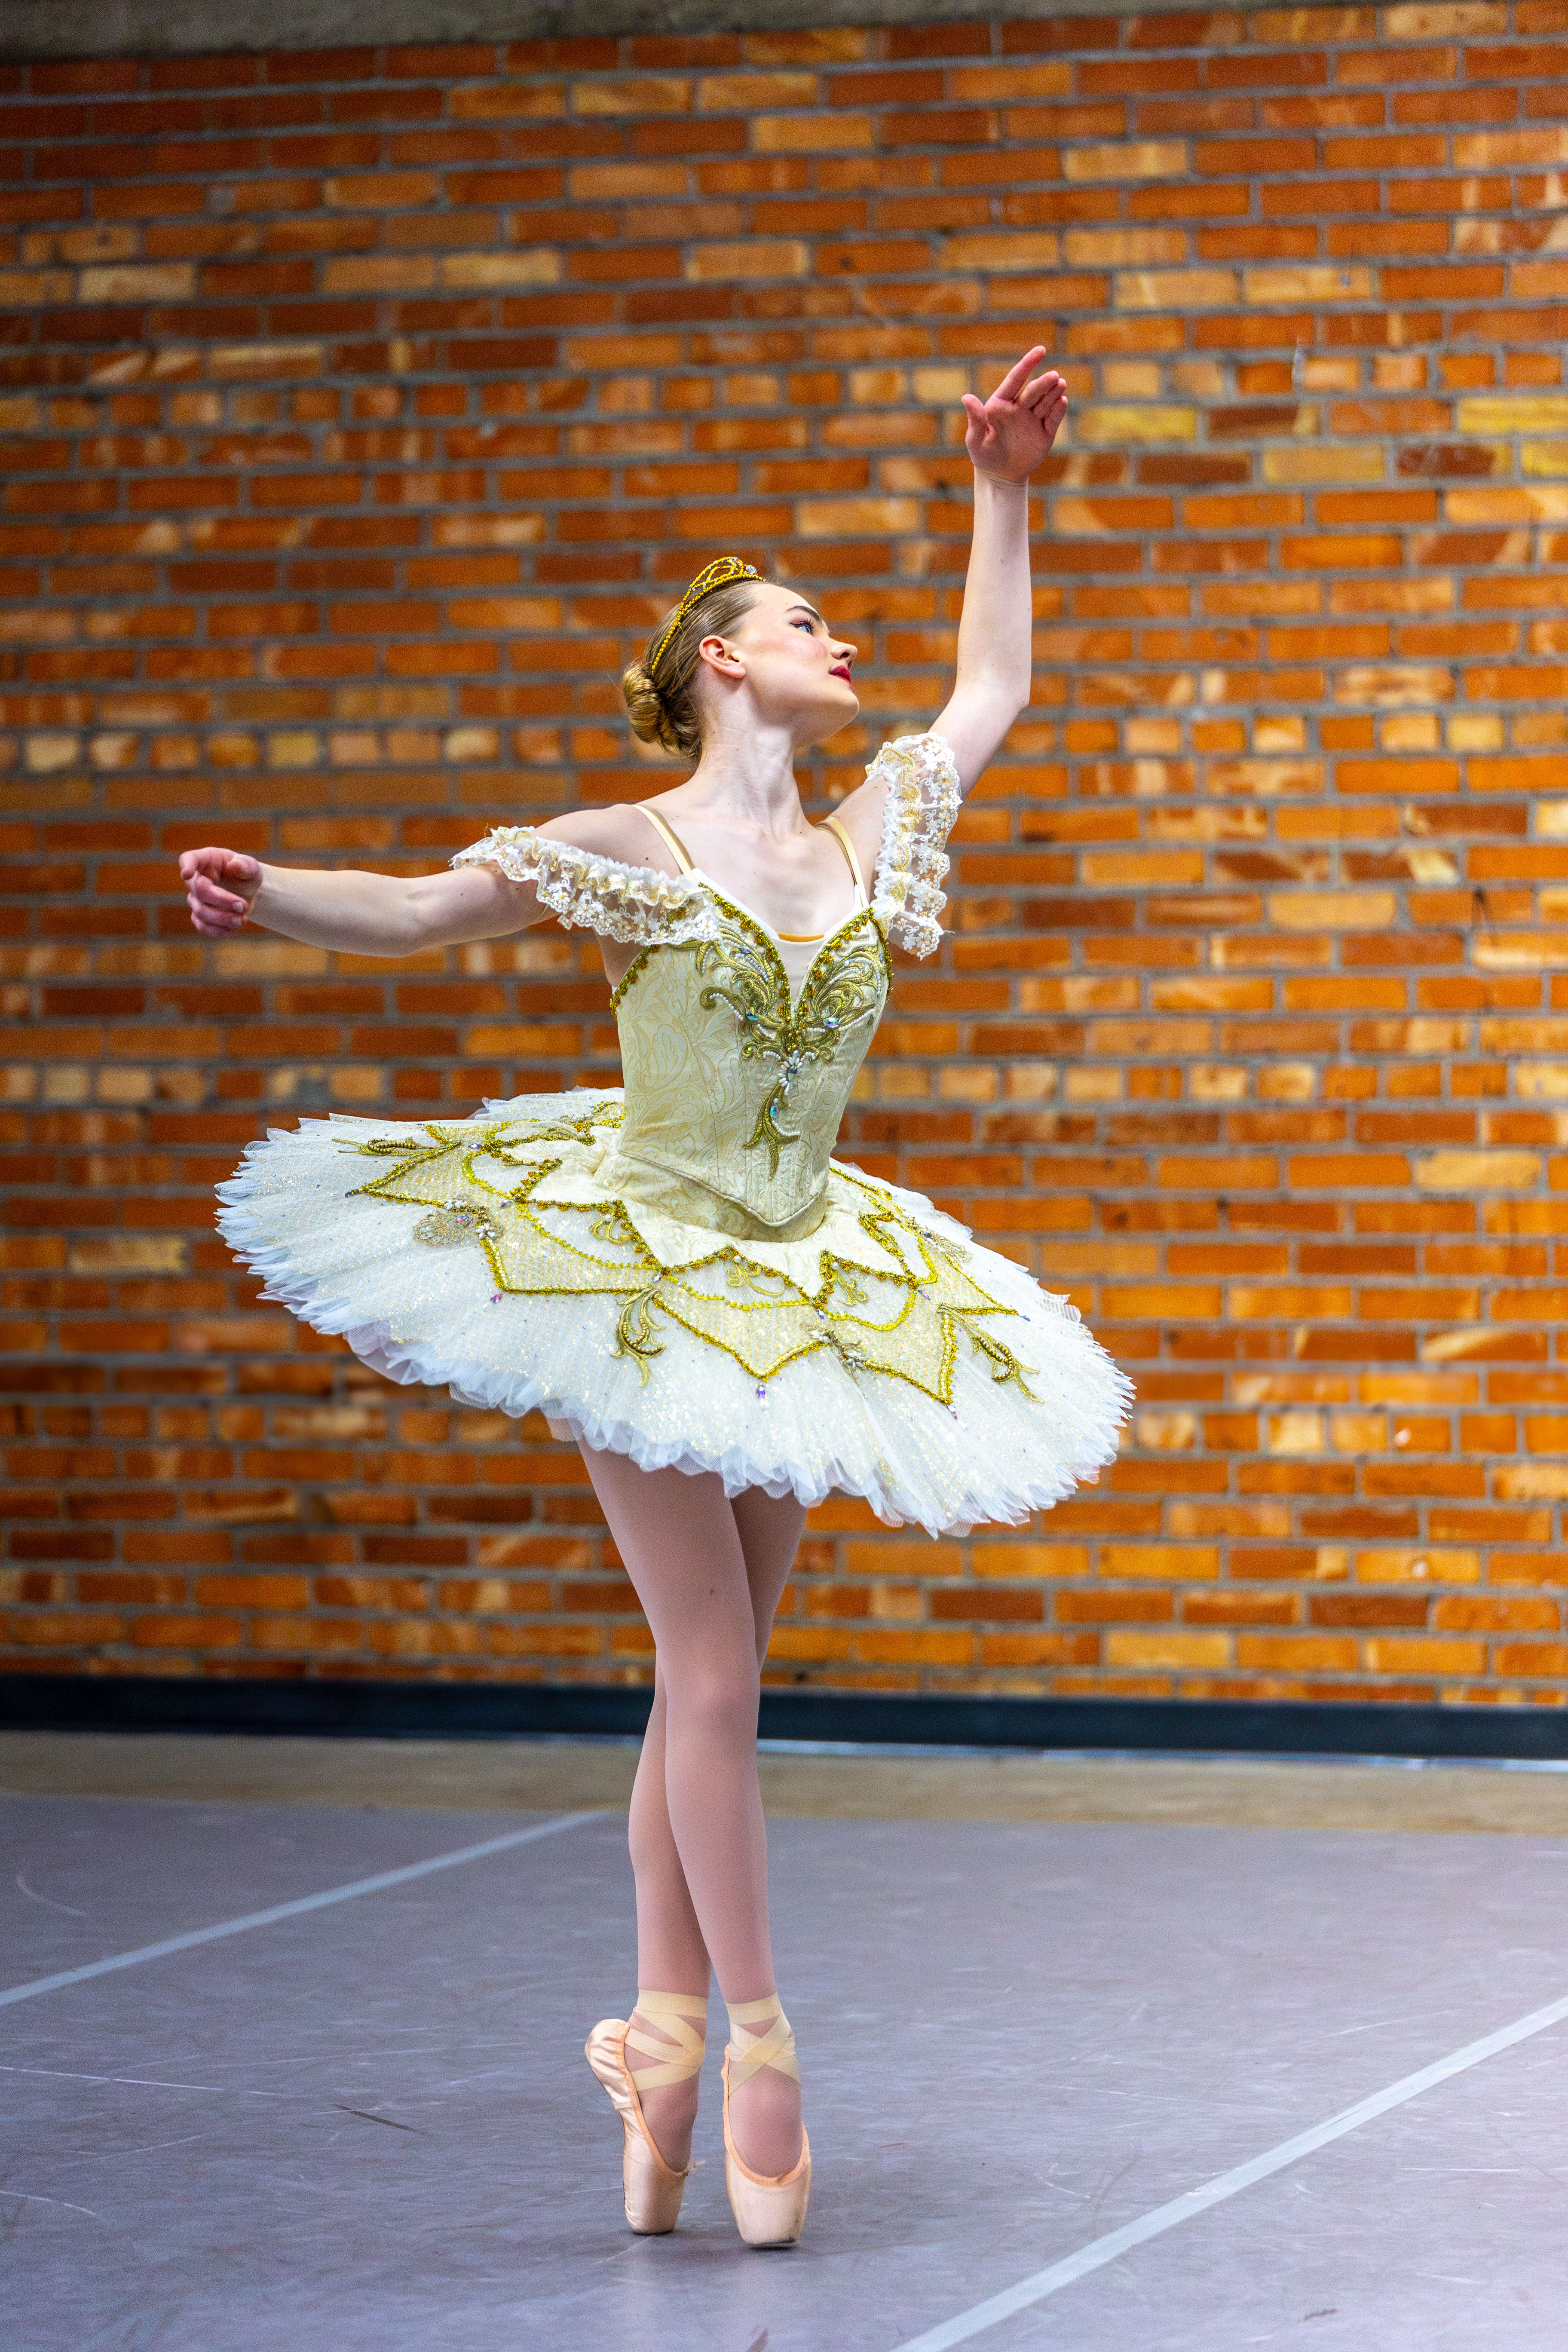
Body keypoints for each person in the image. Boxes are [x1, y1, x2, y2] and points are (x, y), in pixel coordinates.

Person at [178, 346, 1132, 2252]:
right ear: (725, 661)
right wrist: (270, 889)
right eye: (804, 623)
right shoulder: (634, 846)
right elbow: (425, 908)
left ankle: (663, 2045)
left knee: (718, 1679)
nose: (839, 643)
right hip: (638, 1273)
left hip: (807, 1282)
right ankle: (762, 2046)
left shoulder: (870, 835)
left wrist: (1005, 493)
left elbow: (996, 688)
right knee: (709, 1677)